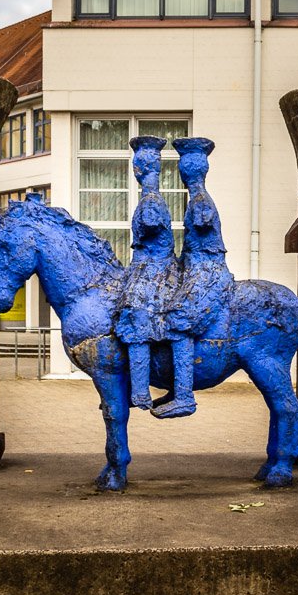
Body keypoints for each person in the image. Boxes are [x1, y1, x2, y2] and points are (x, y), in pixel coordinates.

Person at [154, 137, 234, 419]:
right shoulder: (196, 199)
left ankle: (184, 396)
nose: (185, 174)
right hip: (193, 268)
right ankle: (177, 386)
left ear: (198, 172)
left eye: (188, 169)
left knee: (178, 320)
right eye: (184, 168)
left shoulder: (200, 199)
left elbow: (201, 224)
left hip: (207, 272)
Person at [115, 136, 181, 410]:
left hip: (156, 272)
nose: (137, 170)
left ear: (141, 170)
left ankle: (140, 392)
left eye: (139, 166)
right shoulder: (150, 199)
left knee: (136, 319)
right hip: (149, 268)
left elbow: (151, 227)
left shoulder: (150, 202)